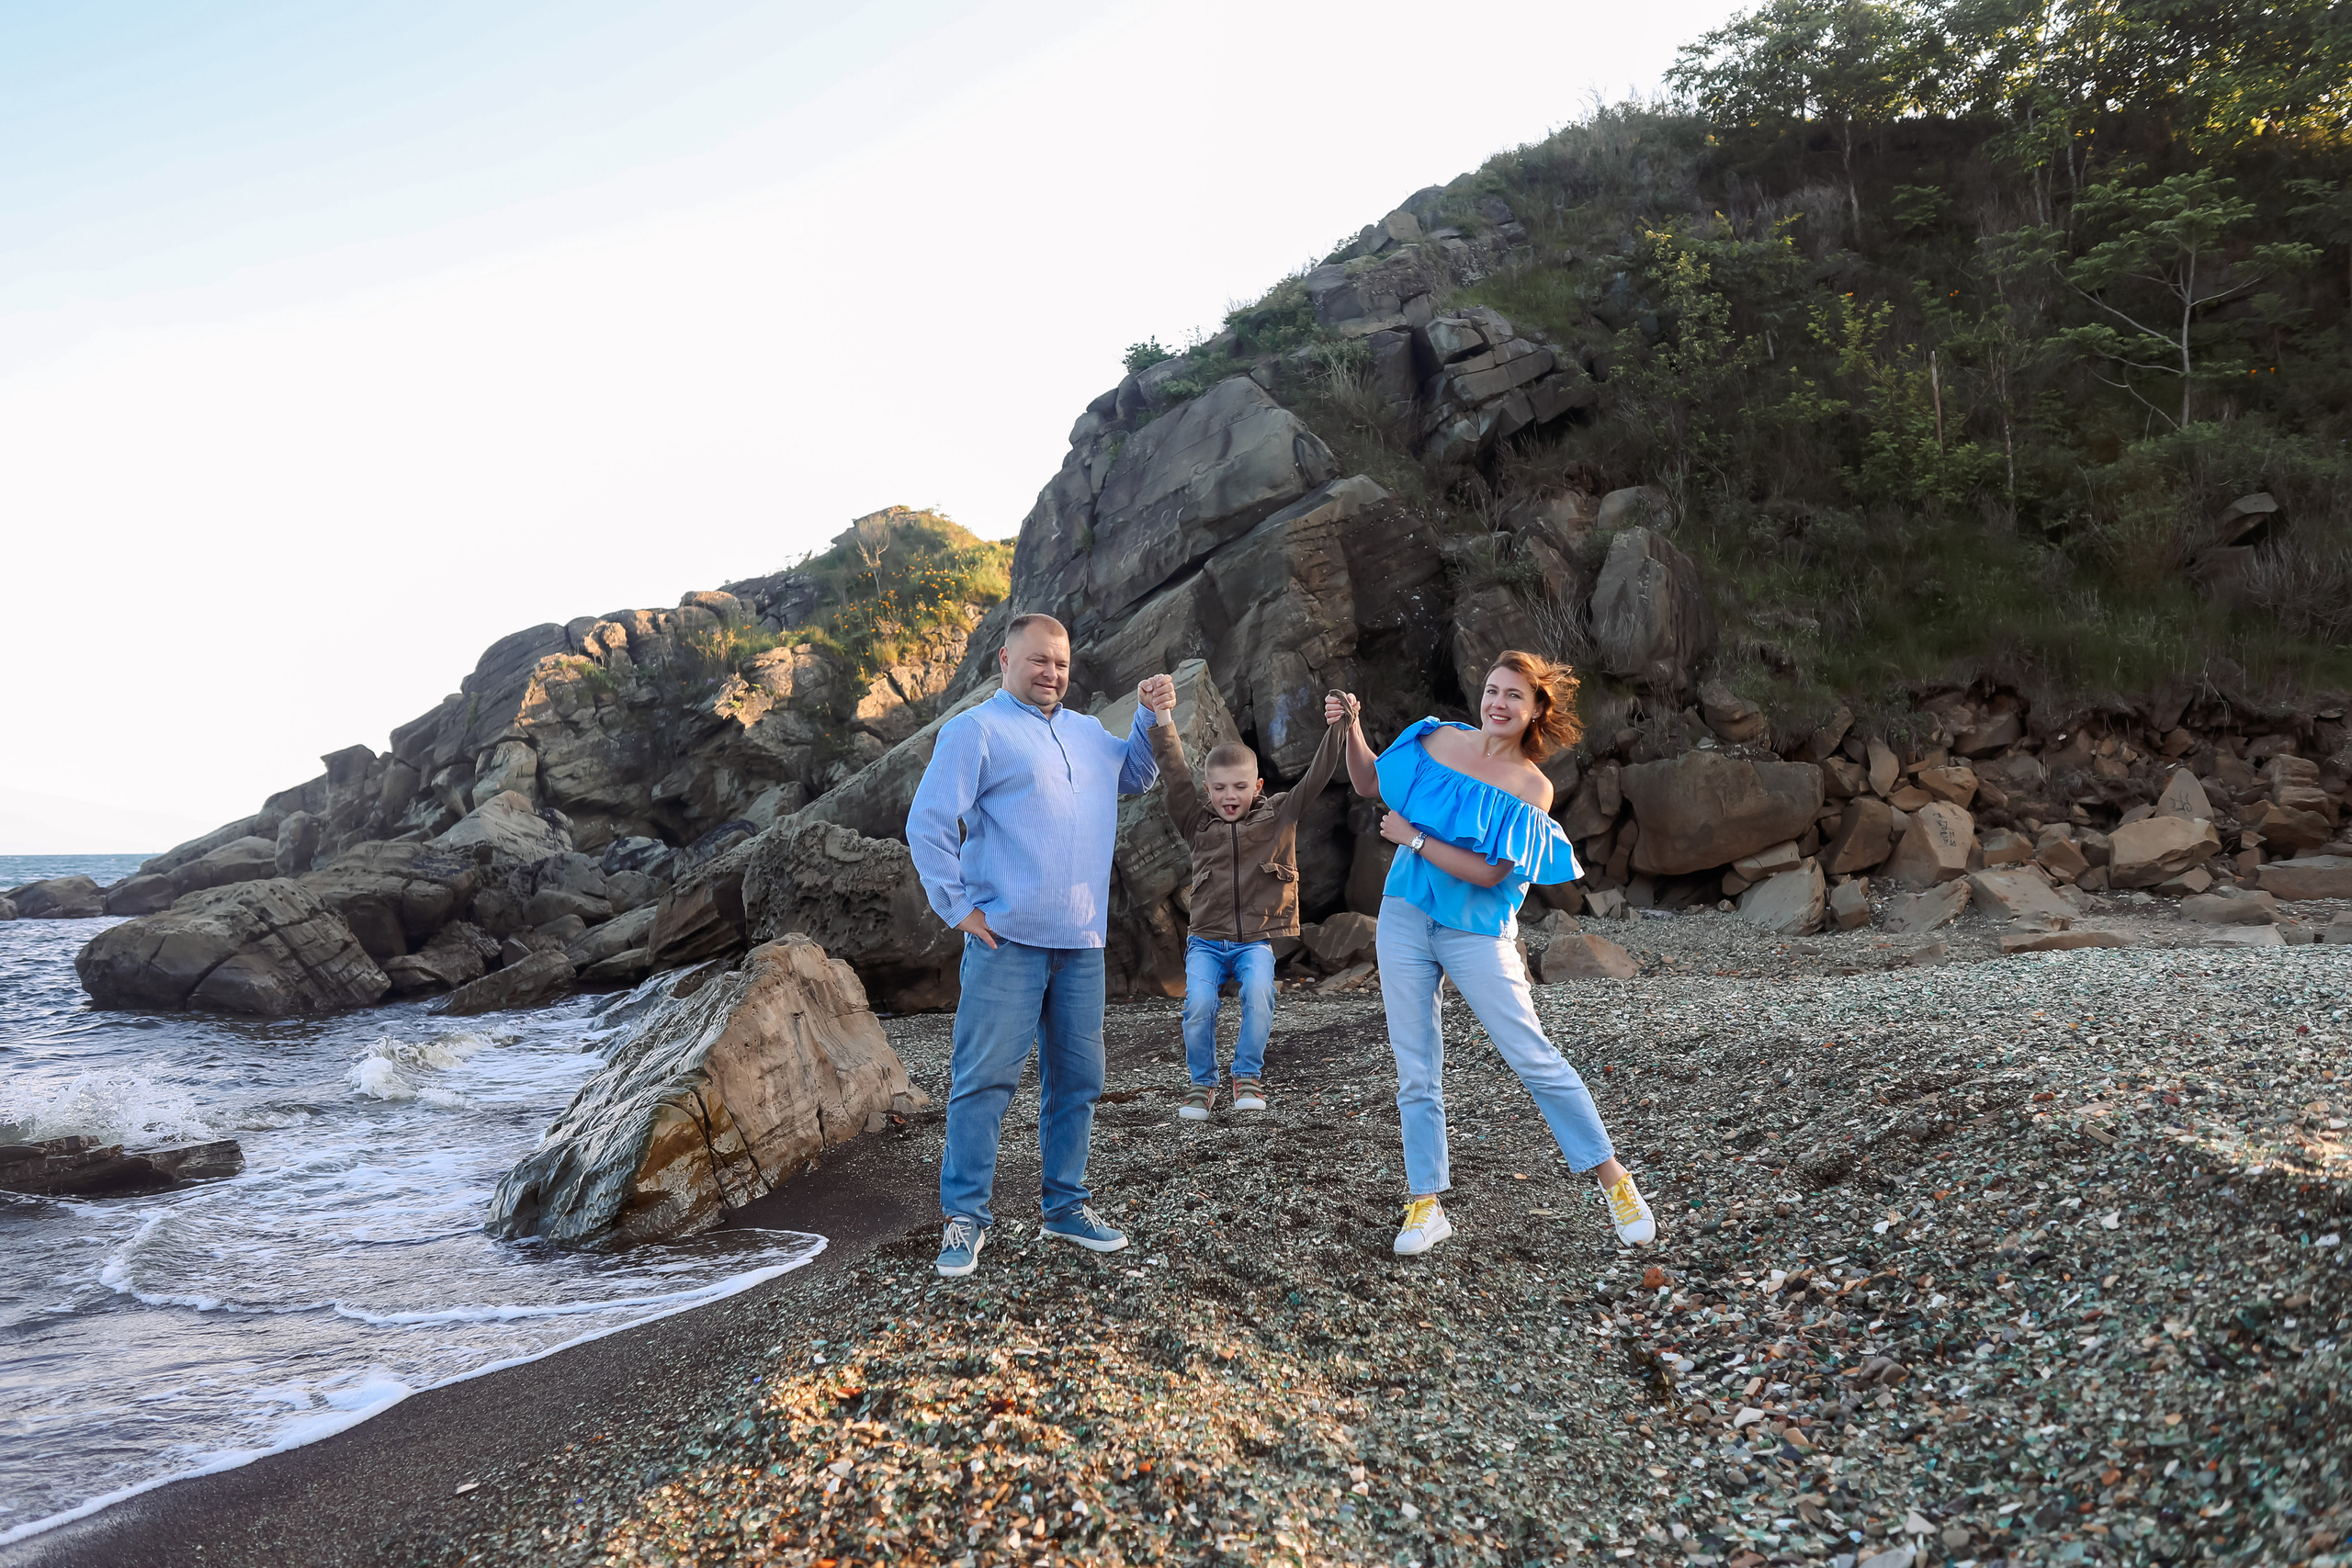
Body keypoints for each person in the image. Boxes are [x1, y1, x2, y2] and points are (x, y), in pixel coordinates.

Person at [1329, 651, 1657, 1257]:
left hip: (1475, 931)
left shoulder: (1533, 786)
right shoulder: (1436, 736)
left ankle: (1615, 1182)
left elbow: (1486, 873)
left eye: (1513, 696)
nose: (1498, 703)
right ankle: (1426, 1205)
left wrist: (1415, 838)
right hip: (1403, 917)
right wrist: (1350, 728)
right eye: (1492, 690)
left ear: (1535, 711)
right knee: (1416, 1070)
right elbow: (1370, 781)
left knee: (1532, 1055)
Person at [907, 612, 1173, 1278]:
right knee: (984, 1082)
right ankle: (965, 1219)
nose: (1051, 671)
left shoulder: (1087, 732)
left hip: (1082, 941)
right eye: (1038, 660)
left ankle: (1065, 1208)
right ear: (1005, 659)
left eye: (1059, 661)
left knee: (1078, 1080)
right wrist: (958, 907)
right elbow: (928, 820)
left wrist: (1149, 716)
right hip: (1007, 941)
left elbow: (1137, 775)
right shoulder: (975, 730)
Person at [1145, 682, 1346, 1121]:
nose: (1229, 797)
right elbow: (1175, 775)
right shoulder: (1197, 824)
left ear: (1257, 786)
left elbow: (1316, 776)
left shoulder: (1280, 815)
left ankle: (1246, 1075)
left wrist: (1339, 726)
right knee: (1198, 1004)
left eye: (1238, 787)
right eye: (1219, 789)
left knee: (1259, 992)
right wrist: (1163, 717)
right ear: (1208, 789)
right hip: (1206, 940)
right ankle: (1202, 1083)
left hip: (1255, 940)